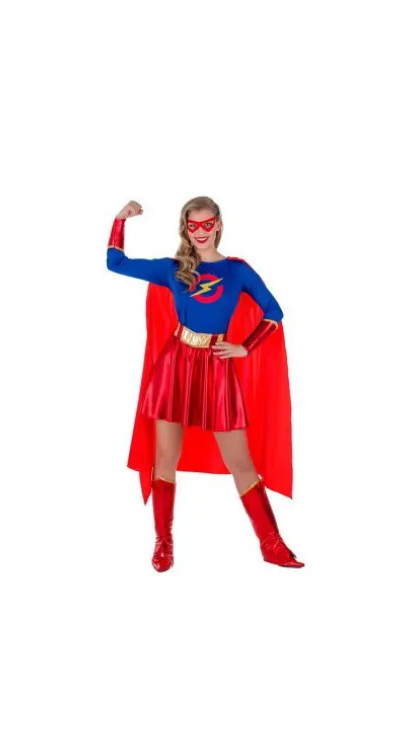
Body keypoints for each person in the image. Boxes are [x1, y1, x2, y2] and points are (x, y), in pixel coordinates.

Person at [106, 196, 304, 571]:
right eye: (193, 225)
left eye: (207, 224)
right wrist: (120, 220)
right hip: (175, 366)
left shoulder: (237, 271)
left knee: (241, 462)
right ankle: (163, 544)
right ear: (186, 228)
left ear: (218, 225)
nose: (200, 231)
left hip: (216, 366)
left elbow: (273, 311)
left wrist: (246, 347)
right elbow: (115, 263)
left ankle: (272, 545)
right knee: (166, 458)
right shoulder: (173, 268)